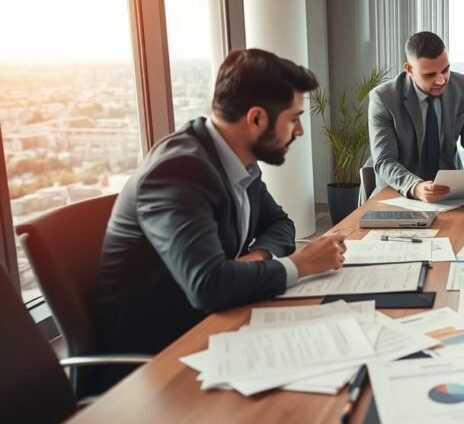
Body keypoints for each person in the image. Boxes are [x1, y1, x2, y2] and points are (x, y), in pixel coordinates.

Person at [97, 49, 347, 358]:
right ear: (256, 118)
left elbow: (281, 224)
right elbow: (208, 286)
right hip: (163, 354)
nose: (299, 131)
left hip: (218, 321)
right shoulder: (178, 171)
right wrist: (301, 264)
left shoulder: (236, 160)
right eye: (293, 118)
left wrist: (256, 258)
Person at [368, 31, 464, 203]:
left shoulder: (462, 86)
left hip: (451, 192)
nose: (441, 80)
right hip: (399, 193)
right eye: (430, 75)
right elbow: (385, 160)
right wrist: (416, 187)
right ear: (409, 70)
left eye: (445, 70)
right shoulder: (384, 98)